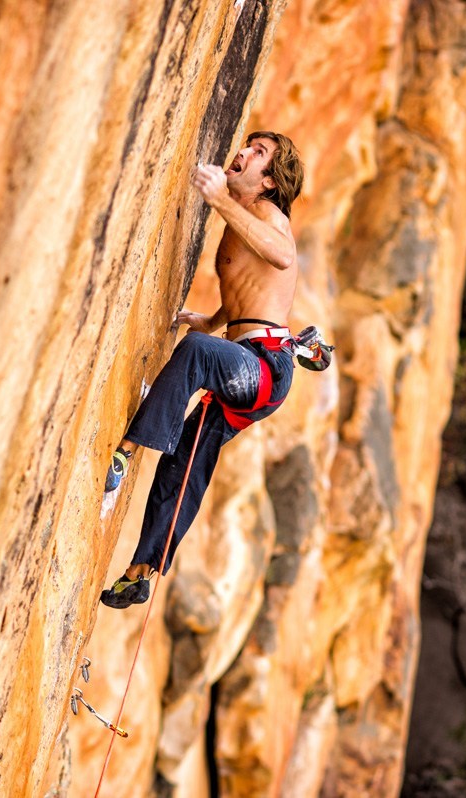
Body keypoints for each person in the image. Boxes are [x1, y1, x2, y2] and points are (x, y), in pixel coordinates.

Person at [101, 131, 306, 609]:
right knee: (186, 462)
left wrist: (218, 199)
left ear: (270, 182)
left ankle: (125, 453)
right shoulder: (245, 218)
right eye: (249, 144)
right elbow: (248, 287)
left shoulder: (268, 216)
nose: (243, 153)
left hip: (265, 369)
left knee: (196, 352)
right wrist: (213, 320)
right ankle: (142, 570)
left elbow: (281, 256)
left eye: (259, 154)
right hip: (249, 358)